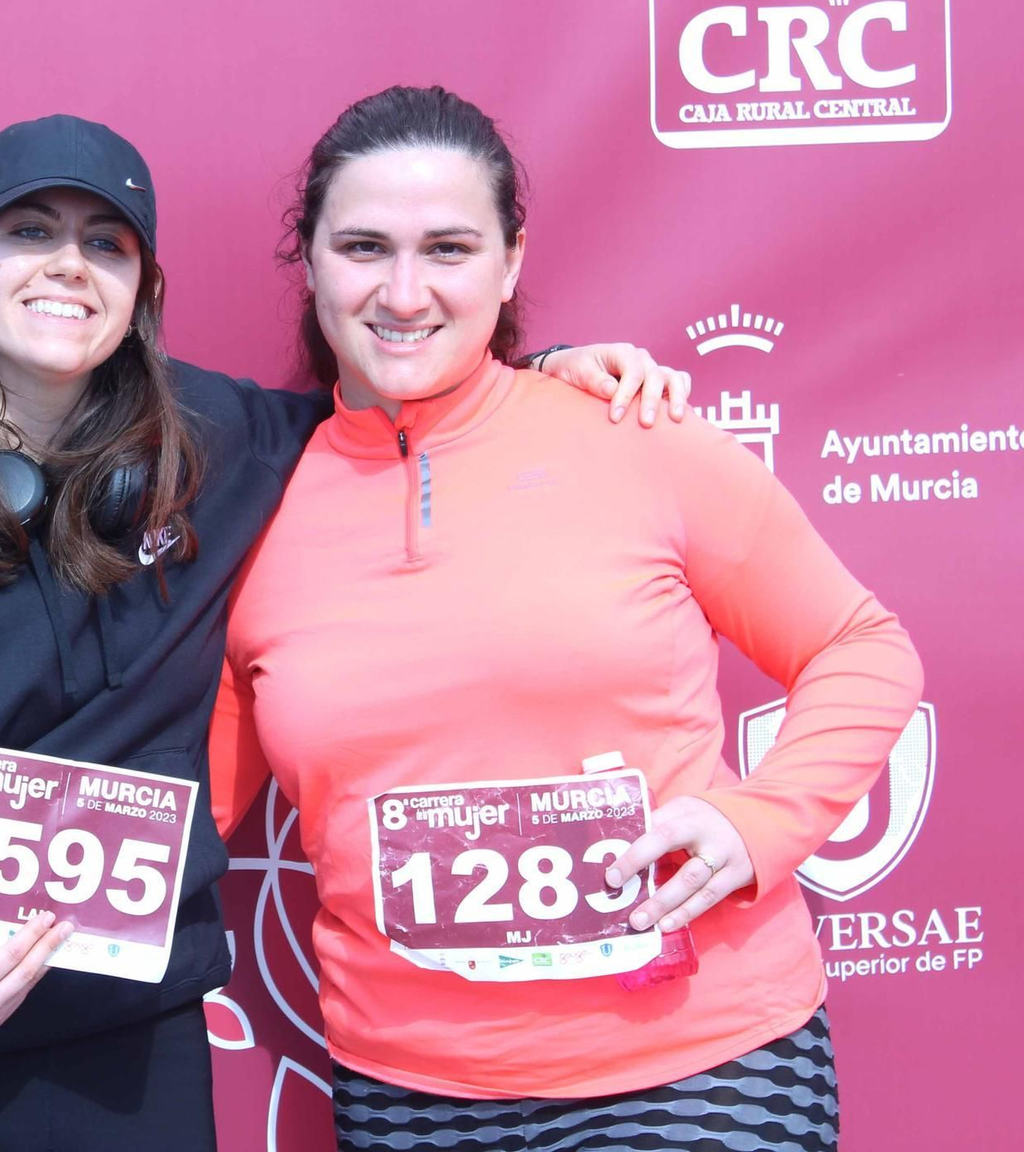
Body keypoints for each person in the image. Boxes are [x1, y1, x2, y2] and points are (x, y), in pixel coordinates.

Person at [0, 114, 689, 1151]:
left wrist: (543, 368)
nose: (67, 267)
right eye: (29, 232)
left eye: (105, 243)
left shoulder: (217, 448)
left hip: (133, 1048)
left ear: (142, 293)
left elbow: (397, 394)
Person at [208, 86, 924, 1151]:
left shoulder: (635, 436)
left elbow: (859, 647)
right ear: (307, 264)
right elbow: (193, 799)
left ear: (509, 265)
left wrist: (756, 822)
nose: (403, 291)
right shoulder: (251, 507)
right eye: (363, 246)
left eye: (447, 248)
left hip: (699, 1062)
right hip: (407, 1088)